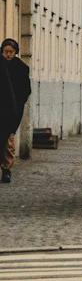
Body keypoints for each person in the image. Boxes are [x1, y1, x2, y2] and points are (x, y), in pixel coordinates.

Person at [0, 38, 29, 183]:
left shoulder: (21, 68)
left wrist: (17, 104)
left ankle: (6, 169)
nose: (8, 55)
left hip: (12, 111)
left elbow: (26, 90)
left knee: (8, 143)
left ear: (16, 52)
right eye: (6, 52)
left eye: (11, 52)